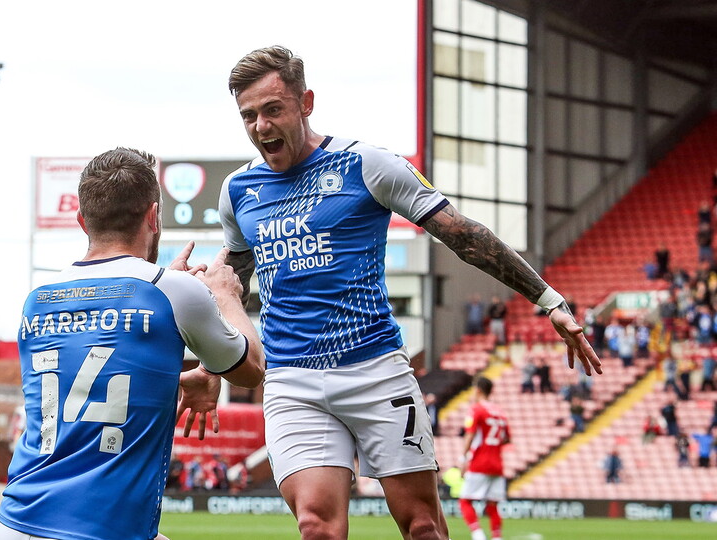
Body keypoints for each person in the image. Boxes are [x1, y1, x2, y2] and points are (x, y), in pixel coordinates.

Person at [192, 45, 601, 540]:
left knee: (423, 526)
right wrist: (215, 363)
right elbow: (229, 284)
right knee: (316, 526)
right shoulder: (238, 191)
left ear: (306, 102)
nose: (260, 127)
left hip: (375, 373)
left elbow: (464, 235)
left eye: (272, 109)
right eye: (249, 116)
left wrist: (549, 300)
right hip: (292, 380)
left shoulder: (367, 164)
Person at [0, 148, 265, 540]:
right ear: (153, 215)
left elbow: (94, 370)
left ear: (82, 222)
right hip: (101, 530)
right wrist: (226, 296)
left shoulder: (39, 299)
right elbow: (252, 368)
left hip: (16, 522)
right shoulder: (172, 292)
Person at [459, 377, 510, 540]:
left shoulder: (476, 409)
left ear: (479, 390)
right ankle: (496, 537)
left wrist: (462, 459)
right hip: (497, 464)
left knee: (465, 501)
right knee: (493, 504)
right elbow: (507, 438)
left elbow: (470, 435)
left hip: (480, 462)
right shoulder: (500, 412)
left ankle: (478, 534)